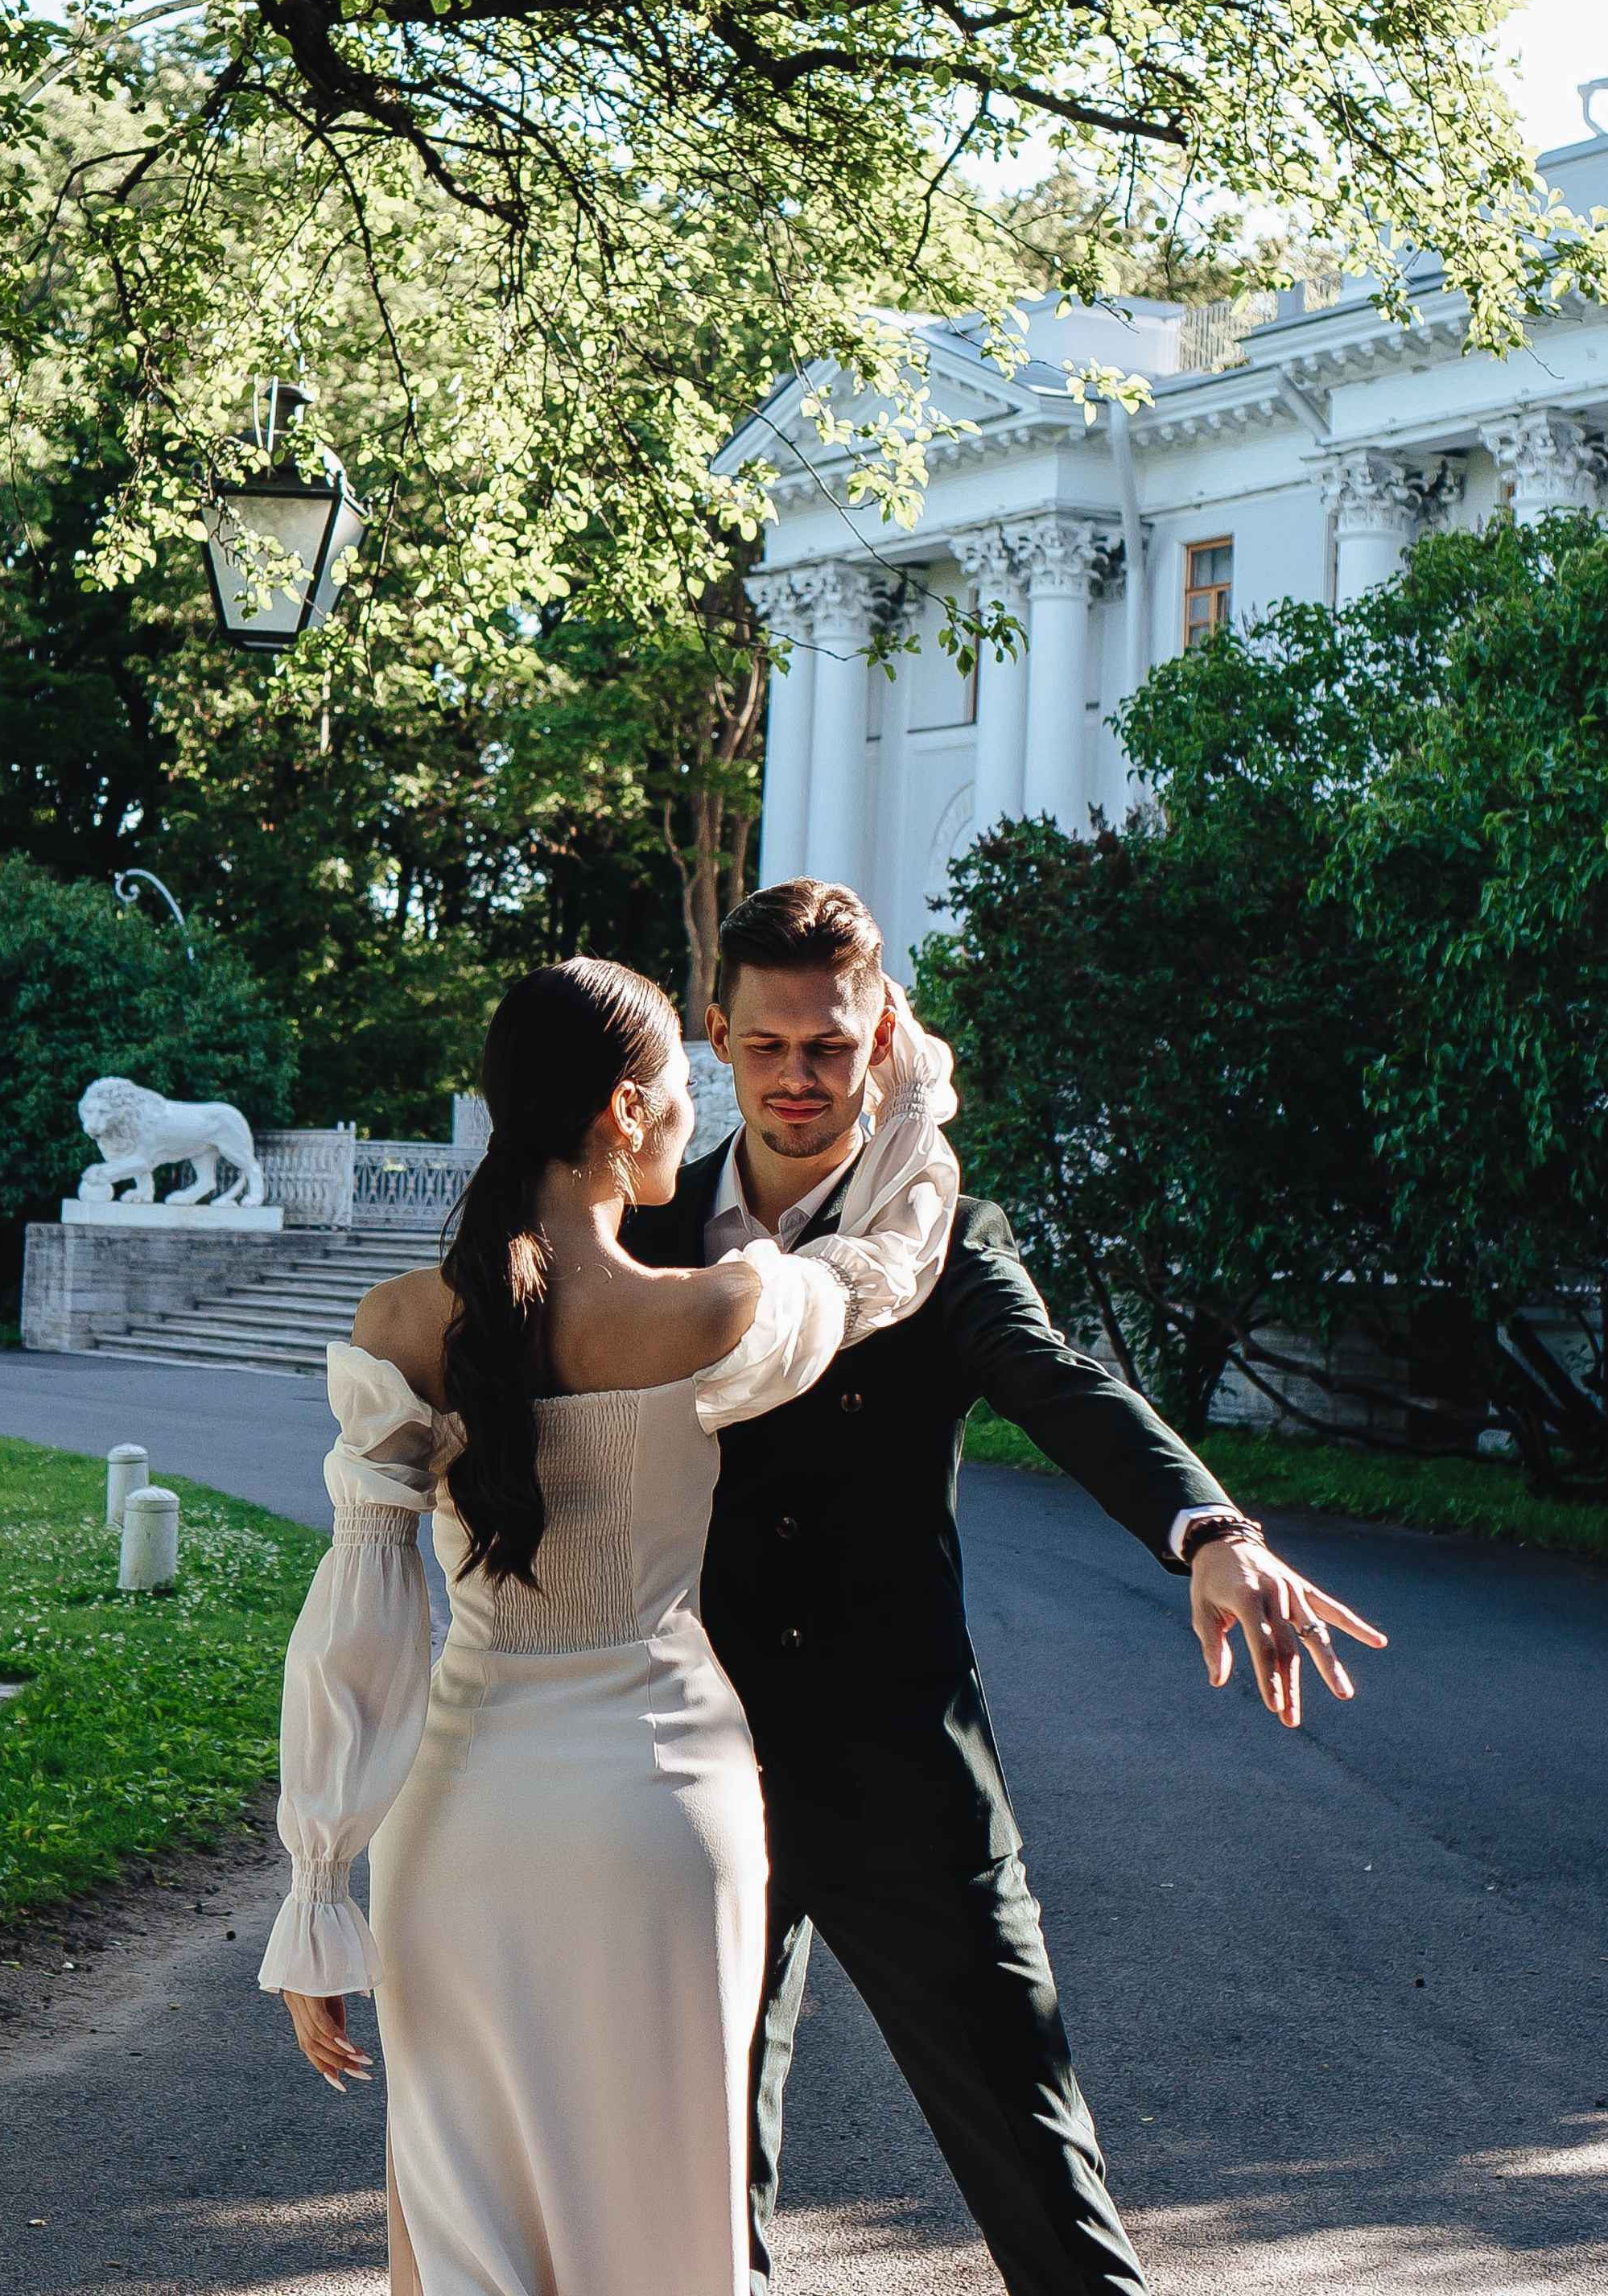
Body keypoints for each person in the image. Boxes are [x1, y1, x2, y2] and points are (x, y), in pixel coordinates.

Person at [621, 877, 1388, 2296]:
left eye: (833, 1045)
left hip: (903, 1768)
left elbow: (1063, 1382)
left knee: (1048, 2195)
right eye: (772, 1045)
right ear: (718, 1035)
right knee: (694, 2206)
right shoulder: (647, 1241)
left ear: (887, 1035)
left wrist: (1209, 1530)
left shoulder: (940, 1233)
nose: (802, 1078)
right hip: (692, 1761)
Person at [260, 951, 964, 2296]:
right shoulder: (716, 1306)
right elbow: (888, 1266)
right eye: (688, 1088)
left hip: (456, 1829)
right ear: (625, 1112)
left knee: (466, 2237)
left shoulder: (402, 1324)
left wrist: (318, 1888)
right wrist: (913, 1089)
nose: (702, 1114)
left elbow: (356, 1619)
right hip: (664, 1808)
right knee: (659, 2239)